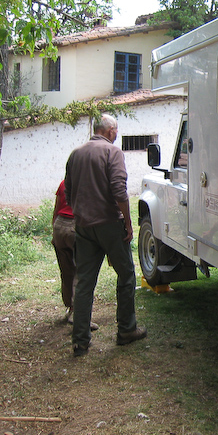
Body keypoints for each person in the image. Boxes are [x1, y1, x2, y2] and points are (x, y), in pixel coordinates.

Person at [65, 114, 146, 357]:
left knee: (84, 283)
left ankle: (80, 341)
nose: (117, 134)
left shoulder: (76, 153)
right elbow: (119, 190)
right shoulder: (113, 153)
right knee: (126, 274)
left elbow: (69, 191)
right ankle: (126, 330)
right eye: (116, 130)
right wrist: (128, 223)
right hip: (110, 224)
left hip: (83, 225)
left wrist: (80, 214)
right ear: (110, 130)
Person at [51, 180, 98, 331]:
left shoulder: (63, 183)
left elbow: (56, 207)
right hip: (74, 226)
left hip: (59, 226)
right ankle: (78, 315)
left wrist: (54, 229)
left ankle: (69, 307)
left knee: (66, 271)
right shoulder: (86, 183)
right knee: (81, 272)